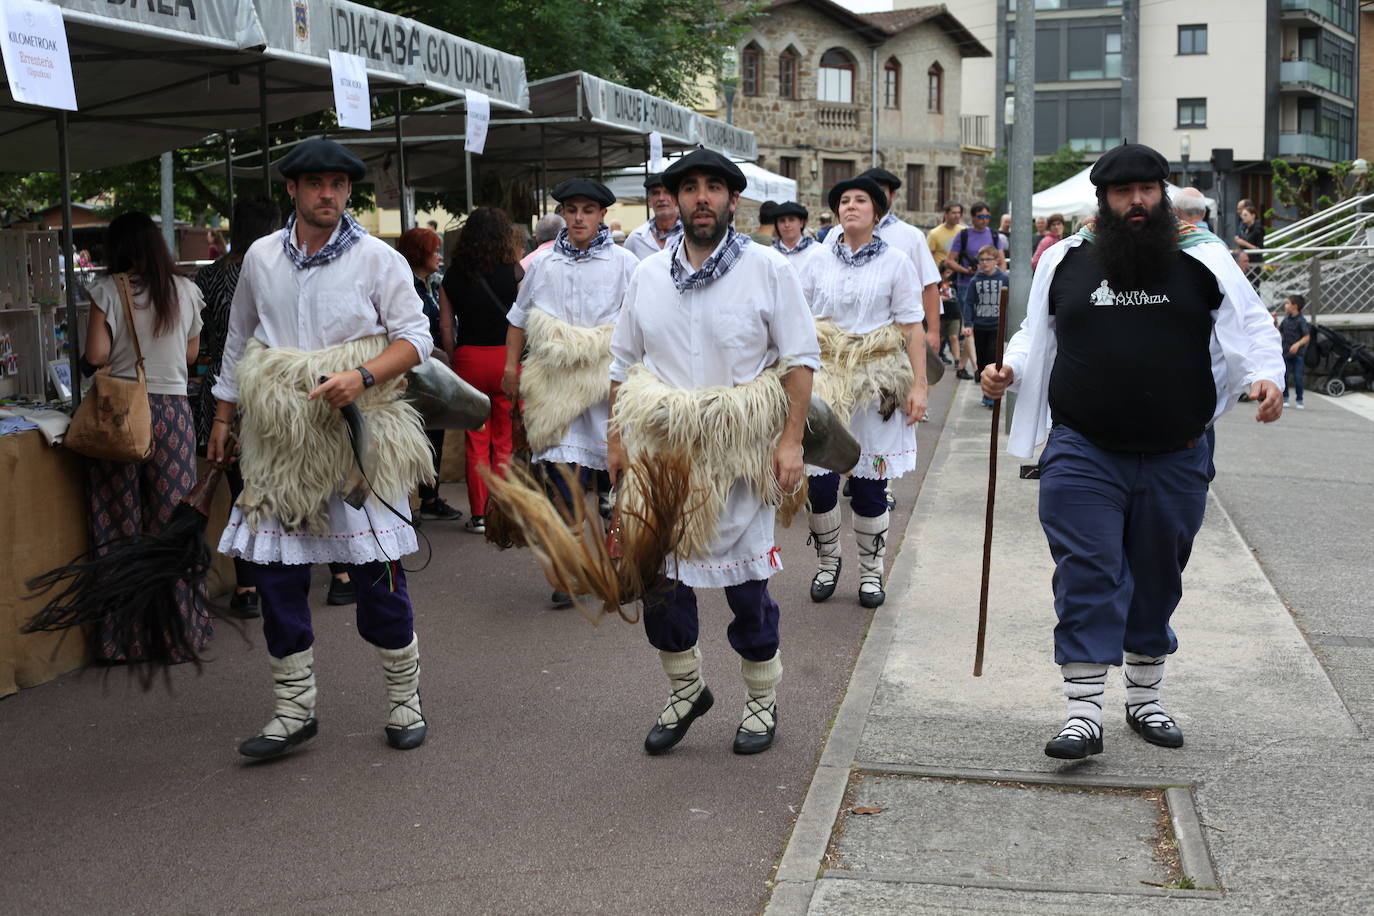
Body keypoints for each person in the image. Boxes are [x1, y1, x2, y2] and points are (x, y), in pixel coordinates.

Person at [980, 142, 1284, 761]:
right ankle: (1082, 714)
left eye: (1149, 190)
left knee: (1156, 572)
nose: (1138, 202)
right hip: (1082, 448)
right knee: (1089, 569)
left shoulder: (1202, 259)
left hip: (1177, 450)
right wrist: (1007, 369)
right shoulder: (1064, 260)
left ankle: (1144, 698)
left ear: (1164, 196)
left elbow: (1253, 324)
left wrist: (1267, 374)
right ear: (1105, 201)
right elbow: (1034, 334)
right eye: (1125, 193)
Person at [208, 138, 435, 758]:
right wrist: (223, 417)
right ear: (293, 190)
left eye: (337, 184)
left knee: (378, 582)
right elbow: (238, 340)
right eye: (315, 184)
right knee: (276, 578)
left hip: (359, 440)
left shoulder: (376, 259)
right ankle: (293, 710)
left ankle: (404, 698)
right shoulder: (260, 258)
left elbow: (417, 339)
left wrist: (361, 375)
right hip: (281, 443)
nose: (327, 193)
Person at [607, 149, 819, 756]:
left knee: (746, 592)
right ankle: (686, 688)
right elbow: (623, 363)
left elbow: (800, 358)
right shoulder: (645, 274)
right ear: (673, 199)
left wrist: (789, 441)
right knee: (658, 588)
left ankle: (760, 698)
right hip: (663, 455)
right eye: (691, 188)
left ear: (732, 200)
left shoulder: (768, 270)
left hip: (738, 454)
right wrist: (617, 438)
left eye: (714, 188)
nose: (703, 198)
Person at [502, 177, 638, 608]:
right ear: (564, 214)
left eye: (587, 210)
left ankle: (625, 559)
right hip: (557, 386)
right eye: (572, 210)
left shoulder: (624, 263)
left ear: (601, 216)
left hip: (609, 385)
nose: (579, 218)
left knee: (620, 481)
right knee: (565, 483)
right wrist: (510, 366)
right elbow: (518, 318)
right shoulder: (542, 264)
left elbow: (641, 321)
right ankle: (571, 567)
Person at [83, 211, 207, 660]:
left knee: (118, 523)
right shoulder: (187, 291)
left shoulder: (106, 290)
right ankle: (176, 637)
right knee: (171, 524)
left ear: (116, 248)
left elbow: (95, 354)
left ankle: (122, 642)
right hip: (173, 412)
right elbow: (191, 355)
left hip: (120, 411)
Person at [800, 175, 927, 610]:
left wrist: (920, 386)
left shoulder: (896, 261)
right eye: (844, 201)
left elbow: (912, 326)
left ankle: (871, 574)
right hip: (827, 378)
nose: (851, 206)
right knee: (819, 482)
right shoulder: (816, 260)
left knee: (870, 484)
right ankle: (827, 562)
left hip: (878, 380)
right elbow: (798, 319)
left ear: (877, 212)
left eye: (860, 201)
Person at [193, 196, 280, 618]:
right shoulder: (276, 273)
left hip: (220, 389)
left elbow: (198, 345)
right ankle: (336, 576)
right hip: (270, 389)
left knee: (241, 490)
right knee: (290, 482)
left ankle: (246, 587)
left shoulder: (206, 277)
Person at [441, 207, 524, 535]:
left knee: (476, 439)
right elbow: (524, 319)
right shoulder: (515, 272)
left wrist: (455, 357)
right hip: (506, 359)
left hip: (469, 360)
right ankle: (501, 511)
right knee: (504, 439)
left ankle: (477, 514)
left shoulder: (451, 276)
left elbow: (446, 328)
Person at [398, 226, 464, 522]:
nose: (439, 255)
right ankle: (405, 501)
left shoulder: (432, 284)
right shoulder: (405, 286)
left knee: (434, 432)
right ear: (418, 253)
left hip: (435, 372)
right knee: (411, 436)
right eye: (433, 250)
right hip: (412, 373)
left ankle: (430, 496)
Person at [851, 167, 942, 356]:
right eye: (868, 191)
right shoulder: (838, 234)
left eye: (880, 191)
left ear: (892, 195)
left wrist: (933, 331)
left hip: (899, 334)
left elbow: (929, 285)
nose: (874, 196)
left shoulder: (911, 236)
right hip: (850, 334)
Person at [960, 245, 1009, 407]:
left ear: (996, 260)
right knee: (981, 360)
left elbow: (1010, 302)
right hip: (980, 325)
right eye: (982, 260)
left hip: (997, 326)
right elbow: (969, 303)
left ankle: (992, 397)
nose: (985, 263)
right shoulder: (975, 280)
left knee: (993, 357)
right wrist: (968, 323)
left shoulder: (1004, 279)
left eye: (988, 259)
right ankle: (985, 391)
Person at [947, 202, 1001, 299]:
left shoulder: (994, 235)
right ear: (973, 217)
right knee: (967, 314)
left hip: (989, 284)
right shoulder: (963, 235)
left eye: (987, 216)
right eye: (980, 217)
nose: (984, 220)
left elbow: (1001, 260)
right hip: (966, 284)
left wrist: (999, 278)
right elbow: (950, 260)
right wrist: (966, 271)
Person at [624, 173, 682, 260]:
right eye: (655, 193)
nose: (661, 198)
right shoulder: (635, 239)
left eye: (667, 192)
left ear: (677, 198)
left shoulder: (691, 235)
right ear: (649, 201)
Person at [1278, 294, 1311, 409]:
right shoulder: (1286, 320)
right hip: (1286, 353)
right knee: (1284, 376)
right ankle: (1285, 397)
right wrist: (1274, 321)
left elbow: (1306, 337)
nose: (1285, 305)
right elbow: (1279, 331)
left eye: (1288, 303)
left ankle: (1299, 399)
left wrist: (1297, 344)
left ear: (1295, 306)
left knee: (1298, 378)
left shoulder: (1301, 320)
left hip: (1298, 355)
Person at [771, 200, 822, 265]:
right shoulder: (770, 253)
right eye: (782, 221)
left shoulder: (816, 251)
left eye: (791, 220)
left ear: (801, 223)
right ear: (777, 225)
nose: (787, 225)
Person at [926, 202, 965, 281]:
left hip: (959, 275)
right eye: (954, 213)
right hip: (941, 277)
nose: (957, 215)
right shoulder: (934, 233)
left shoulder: (963, 231)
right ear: (946, 214)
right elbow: (928, 257)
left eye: (959, 213)